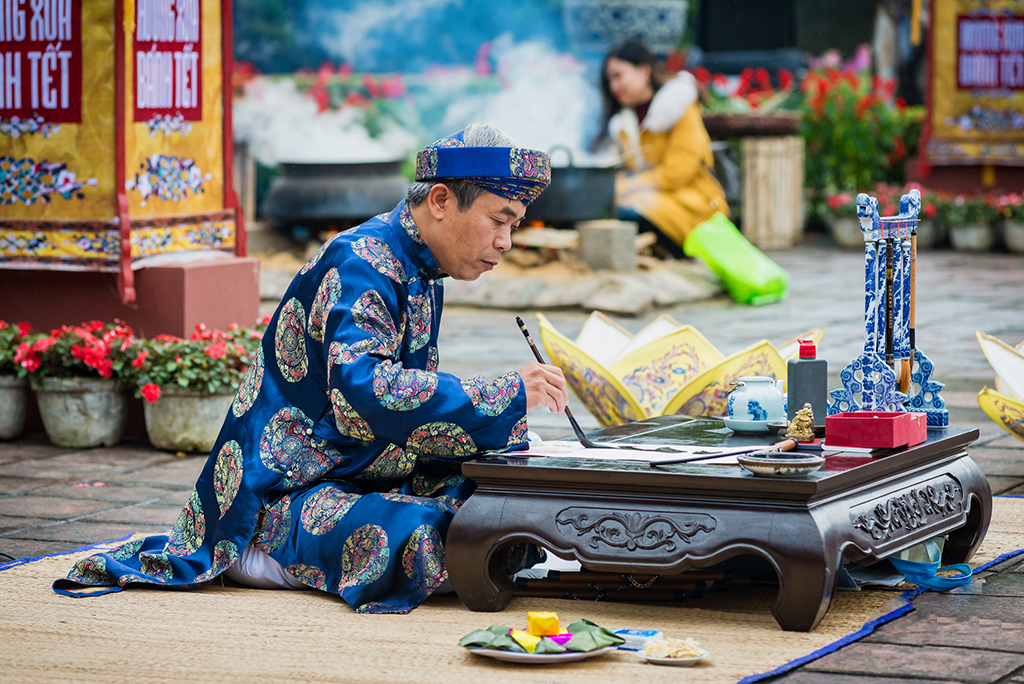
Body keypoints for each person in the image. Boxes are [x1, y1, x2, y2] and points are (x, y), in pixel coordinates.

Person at [53, 124, 570, 614]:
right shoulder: (361, 261)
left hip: (361, 470)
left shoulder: (421, 267)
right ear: (440, 201)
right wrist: (504, 394)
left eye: (513, 226)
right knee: (429, 533)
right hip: (285, 493)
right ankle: (258, 555)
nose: (506, 241)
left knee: (506, 495)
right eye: (498, 220)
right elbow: (365, 392)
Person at [598, 38, 728, 258]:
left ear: (644, 70)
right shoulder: (623, 122)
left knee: (624, 211)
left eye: (618, 76)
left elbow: (676, 173)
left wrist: (623, 187)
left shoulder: (678, 106)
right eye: (609, 80)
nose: (613, 87)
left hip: (694, 207)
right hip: (653, 202)